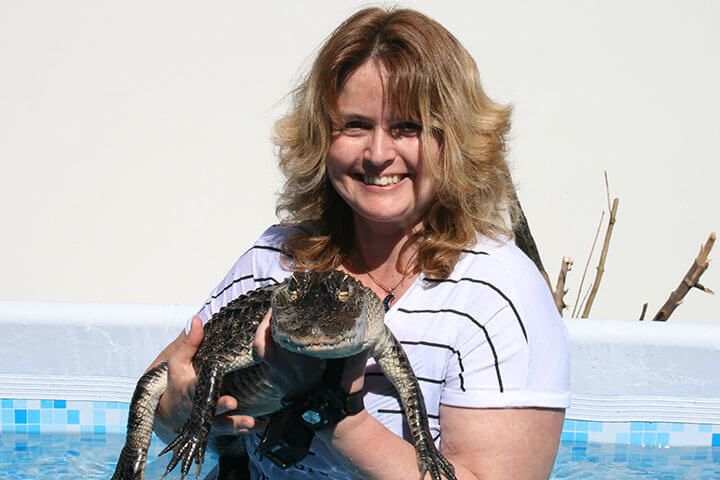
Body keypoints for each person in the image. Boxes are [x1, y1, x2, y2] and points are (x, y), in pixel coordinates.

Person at [148, 6, 570, 479]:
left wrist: (331, 412)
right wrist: (184, 410)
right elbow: (164, 400)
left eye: (407, 126)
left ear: (454, 139)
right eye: (354, 125)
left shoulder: (500, 293)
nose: (377, 154)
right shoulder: (276, 258)